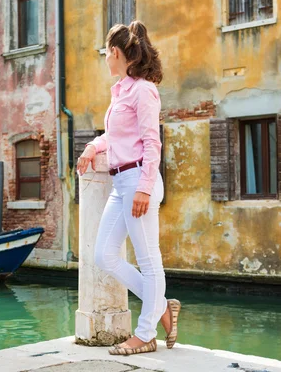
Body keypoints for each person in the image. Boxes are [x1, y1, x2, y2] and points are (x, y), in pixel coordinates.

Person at [76, 21, 181, 356]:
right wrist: (94, 146)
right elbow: (118, 136)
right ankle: (162, 306)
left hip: (138, 182)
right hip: (120, 183)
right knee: (104, 254)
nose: (106, 59)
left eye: (106, 53)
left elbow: (152, 143)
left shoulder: (144, 90)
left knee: (149, 261)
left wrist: (145, 189)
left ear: (116, 53)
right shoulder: (121, 90)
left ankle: (146, 334)